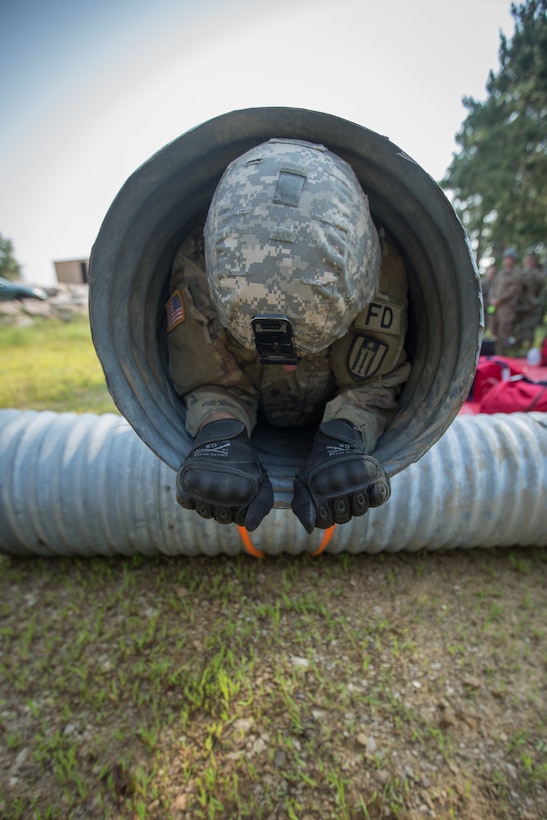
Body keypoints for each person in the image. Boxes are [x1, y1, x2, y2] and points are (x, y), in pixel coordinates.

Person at [165, 139, 411, 533]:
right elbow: (208, 376)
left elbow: (376, 381)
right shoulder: (199, 263)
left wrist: (345, 436)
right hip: (250, 399)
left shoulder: (379, 271)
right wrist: (220, 434)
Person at [490, 248, 523, 356]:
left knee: (503, 332)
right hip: (496, 306)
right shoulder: (501, 273)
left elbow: (513, 290)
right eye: (506, 258)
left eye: (509, 258)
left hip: (507, 307)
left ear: (513, 260)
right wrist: (493, 298)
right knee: (494, 330)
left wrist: (499, 299)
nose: (507, 260)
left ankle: (502, 356)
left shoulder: (516, 274)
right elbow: (494, 287)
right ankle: (496, 353)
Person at [514, 252, 545, 351]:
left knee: (528, 328)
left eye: (528, 260)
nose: (526, 262)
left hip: (530, 306)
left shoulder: (535, 274)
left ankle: (527, 348)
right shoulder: (522, 272)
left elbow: (540, 289)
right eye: (525, 260)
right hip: (520, 305)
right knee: (518, 327)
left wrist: (535, 301)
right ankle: (518, 347)